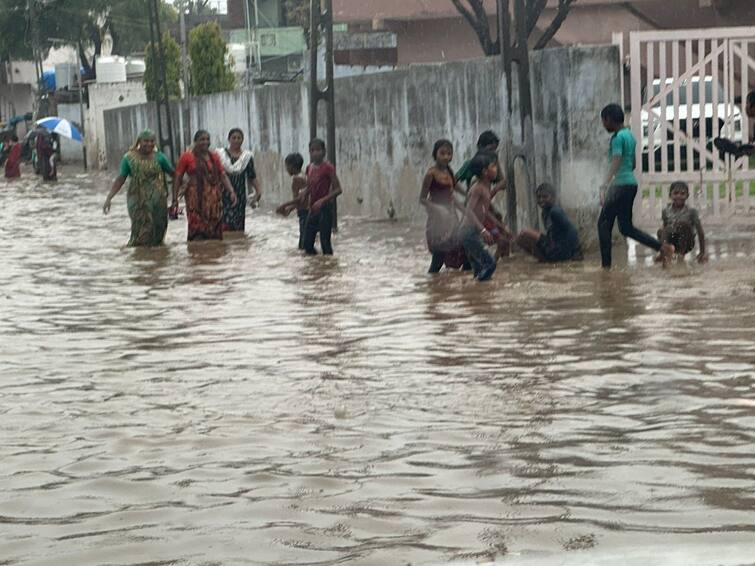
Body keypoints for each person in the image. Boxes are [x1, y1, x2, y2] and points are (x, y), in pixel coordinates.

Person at [598, 103, 673, 268]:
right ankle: (663, 248)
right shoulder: (630, 136)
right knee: (626, 228)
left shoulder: (617, 138)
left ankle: (606, 268)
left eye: (604, 121)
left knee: (603, 225)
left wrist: (605, 183)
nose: (603, 125)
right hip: (630, 185)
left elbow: (616, 160)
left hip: (619, 186)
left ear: (609, 119)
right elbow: (632, 164)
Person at [103, 130, 175, 247]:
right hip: (137, 200)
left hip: (158, 200)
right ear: (139, 142)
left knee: (159, 228)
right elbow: (121, 179)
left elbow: (174, 174)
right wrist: (109, 198)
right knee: (142, 229)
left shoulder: (160, 157)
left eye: (152, 141)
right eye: (146, 141)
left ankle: (157, 259)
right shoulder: (129, 158)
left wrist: (181, 190)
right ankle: (140, 258)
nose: (149, 144)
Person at [173, 130, 237, 241]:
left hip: (214, 199)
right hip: (195, 199)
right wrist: (175, 199)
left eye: (207, 139)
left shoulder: (214, 157)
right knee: (196, 228)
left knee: (214, 231)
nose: (205, 142)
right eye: (202, 139)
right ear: (195, 141)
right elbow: (178, 177)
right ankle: (197, 255)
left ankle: (213, 255)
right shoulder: (187, 157)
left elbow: (222, 175)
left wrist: (231, 191)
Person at [419, 139, 468, 273]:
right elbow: (422, 199)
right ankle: (432, 285)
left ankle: (467, 286)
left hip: (452, 218)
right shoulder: (431, 174)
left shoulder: (449, 171)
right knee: (439, 257)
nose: (446, 157)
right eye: (442, 153)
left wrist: (467, 194)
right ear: (435, 154)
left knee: (463, 251)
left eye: (449, 154)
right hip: (438, 222)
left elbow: (454, 186)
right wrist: (439, 209)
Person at [515, 183, 581, 263]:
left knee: (525, 232)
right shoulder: (544, 213)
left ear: (553, 198)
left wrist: (576, 252)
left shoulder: (555, 211)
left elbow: (572, 230)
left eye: (545, 197)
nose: (541, 200)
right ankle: (544, 260)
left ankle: (549, 258)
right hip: (553, 247)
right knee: (519, 239)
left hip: (562, 249)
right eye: (539, 197)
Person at [460, 151, 498, 281]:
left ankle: (477, 296)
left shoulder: (485, 188)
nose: (496, 169)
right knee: (490, 264)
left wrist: (501, 227)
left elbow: (484, 212)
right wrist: (483, 230)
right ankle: (478, 289)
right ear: (485, 172)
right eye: (493, 166)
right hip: (468, 233)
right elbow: (468, 210)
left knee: (479, 269)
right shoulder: (478, 188)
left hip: (472, 232)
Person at [216, 128, 261, 232]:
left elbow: (252, 176)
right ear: (229, 139)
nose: (236, 140)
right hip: (222, 194)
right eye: (234, 138)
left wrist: (258, 191)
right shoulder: (220, 155)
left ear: (242, 140)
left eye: (239, 138)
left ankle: (238, 246)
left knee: (238, 226)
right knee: (223, 224)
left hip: (240, 195)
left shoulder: (246, 157)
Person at [302, 139, 342, 255]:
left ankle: (328, 268)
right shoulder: (309, 168)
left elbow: (338, 189)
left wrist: (322, 201)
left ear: (324, 152)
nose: (315, 153)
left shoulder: (328, 168)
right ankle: (316, 267)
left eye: (318, 150)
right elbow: (310, 186)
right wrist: (304, 193)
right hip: (313, 209)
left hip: (325, 209)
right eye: (312, 150)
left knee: (325, 243)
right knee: (307, 243)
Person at [656, 181, 707, 264]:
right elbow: (664, 229)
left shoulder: (692, 212)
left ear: (687, 196)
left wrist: (702, 252)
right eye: (676, 193)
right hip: (672, 240)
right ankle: (664, 255)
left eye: (682, 193)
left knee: (682, 225)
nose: (679, 196)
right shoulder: (666, 211)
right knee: (661, 231)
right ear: (670, 195)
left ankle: (681, 257)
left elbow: (700, 232)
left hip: (687, 242)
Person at [275, 153, 309, 249]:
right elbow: (303, 199)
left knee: (303, 244)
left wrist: (283, 206)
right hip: (307, 210)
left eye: (286, 166)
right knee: (305, 240)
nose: (286, 169)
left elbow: (298, 199)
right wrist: (290, 208)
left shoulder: (296, 179)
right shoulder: (304, 175)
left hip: (304, 213)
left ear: (291, 166)